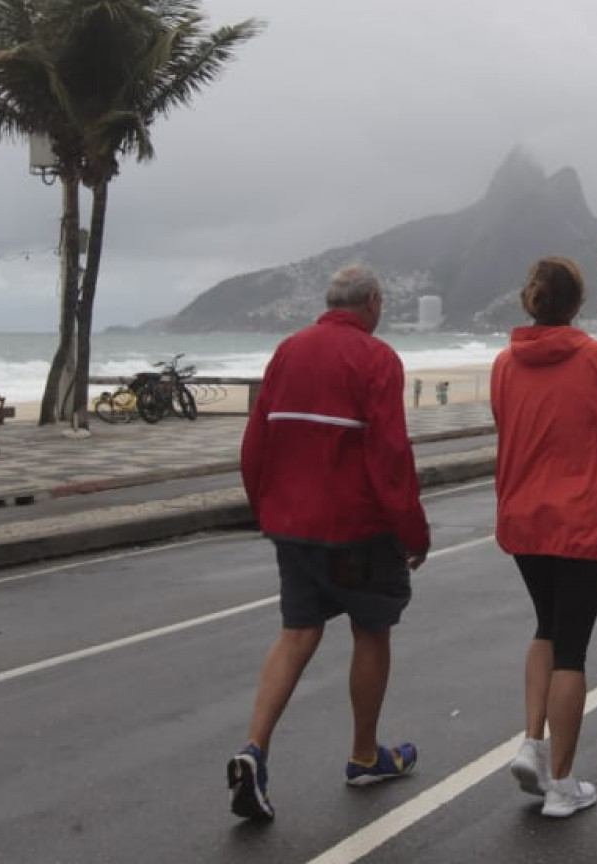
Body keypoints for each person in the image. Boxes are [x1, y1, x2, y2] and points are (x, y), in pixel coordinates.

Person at [228, 264, 431, 823]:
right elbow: (389, 456)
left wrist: (263, 509)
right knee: (371, 631)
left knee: (297, 633)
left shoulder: (288, 351)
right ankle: (365, 755)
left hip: (292, 524)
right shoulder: (377, 358)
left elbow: (256, 441)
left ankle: (255, 750)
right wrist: (413, 531)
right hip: (359, 529)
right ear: (371, 302)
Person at [490, 257, 597, 819]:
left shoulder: (505, 364)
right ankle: (561, 783)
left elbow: (506, 427)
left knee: (546, 627)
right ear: (577, 305)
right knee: (572, 646)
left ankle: (533, 741)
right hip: (581, 519)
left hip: (524, 517)